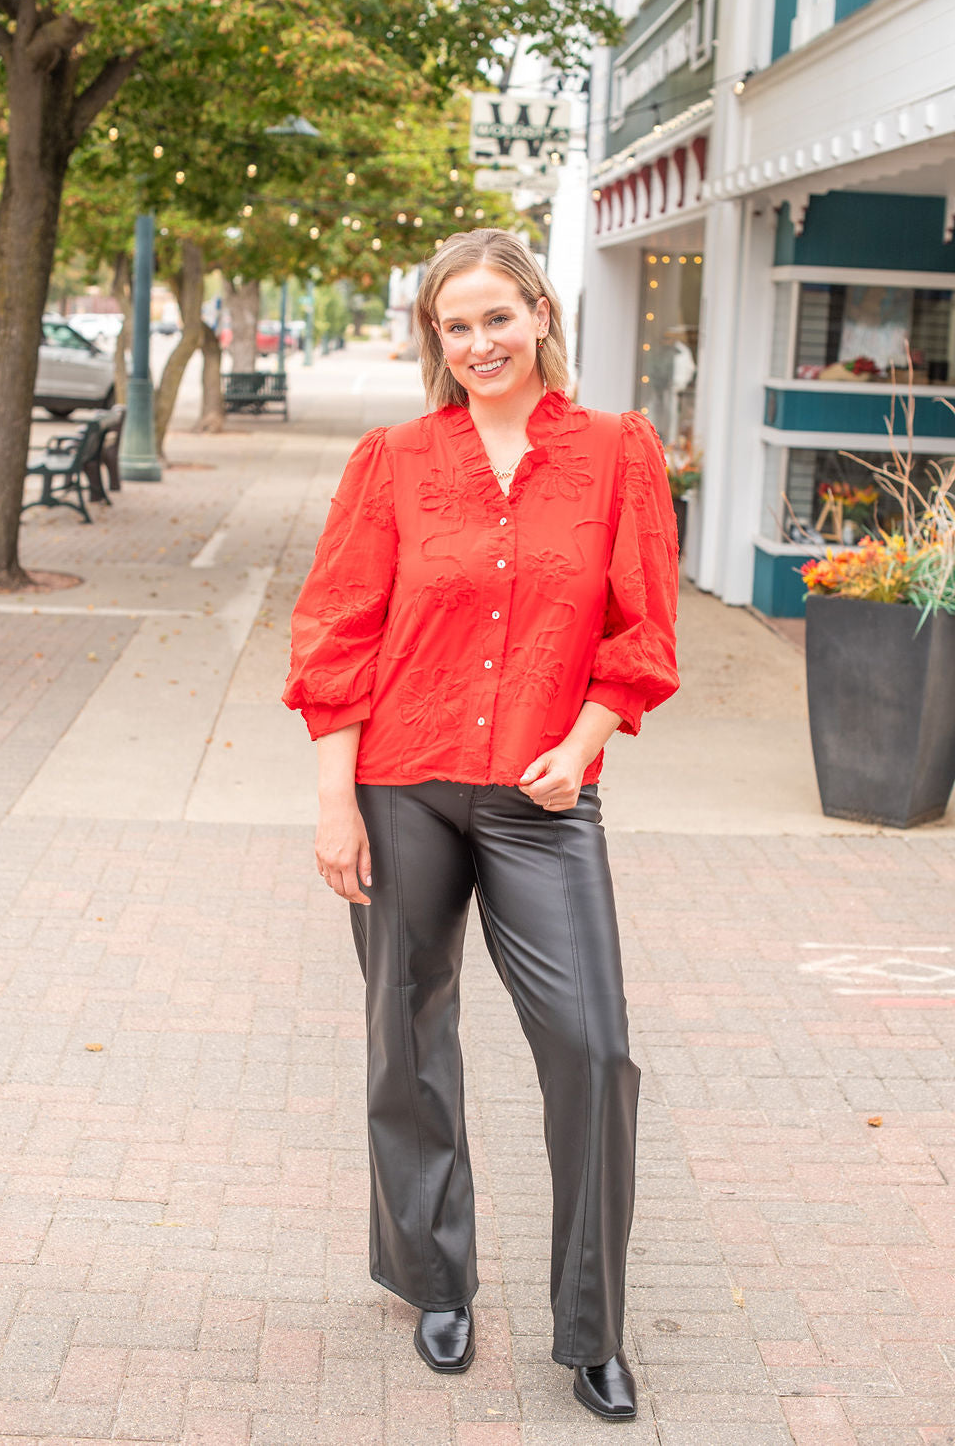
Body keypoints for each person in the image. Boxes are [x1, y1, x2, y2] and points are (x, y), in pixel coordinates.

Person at [283, 229, 679, 1421]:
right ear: (434, 341)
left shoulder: (616, 453)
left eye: (496, 318)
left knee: (595, 1051)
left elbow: (640, 629)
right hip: (400, 785)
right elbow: (336, 630)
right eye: (454, 326)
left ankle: (592, 1327)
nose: (478, 344)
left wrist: (587, 737)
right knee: (407, 1038)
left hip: (542, 798)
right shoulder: (394, 461)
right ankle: (433, 1279)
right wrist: (333, 803)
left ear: (541, 313)